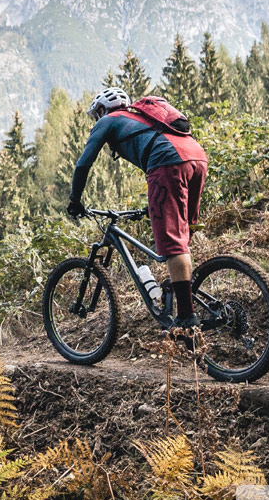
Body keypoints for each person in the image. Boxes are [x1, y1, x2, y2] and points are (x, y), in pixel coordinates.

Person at [66, 87, 208, 332]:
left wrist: (74, 200)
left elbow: (83, 164)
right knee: (183, 234)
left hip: (167, 160)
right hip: (196, 156)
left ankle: (186, 320)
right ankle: (179, 290)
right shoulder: (141, 117)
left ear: (101, 110)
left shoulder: (109, 121)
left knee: (172, 245)